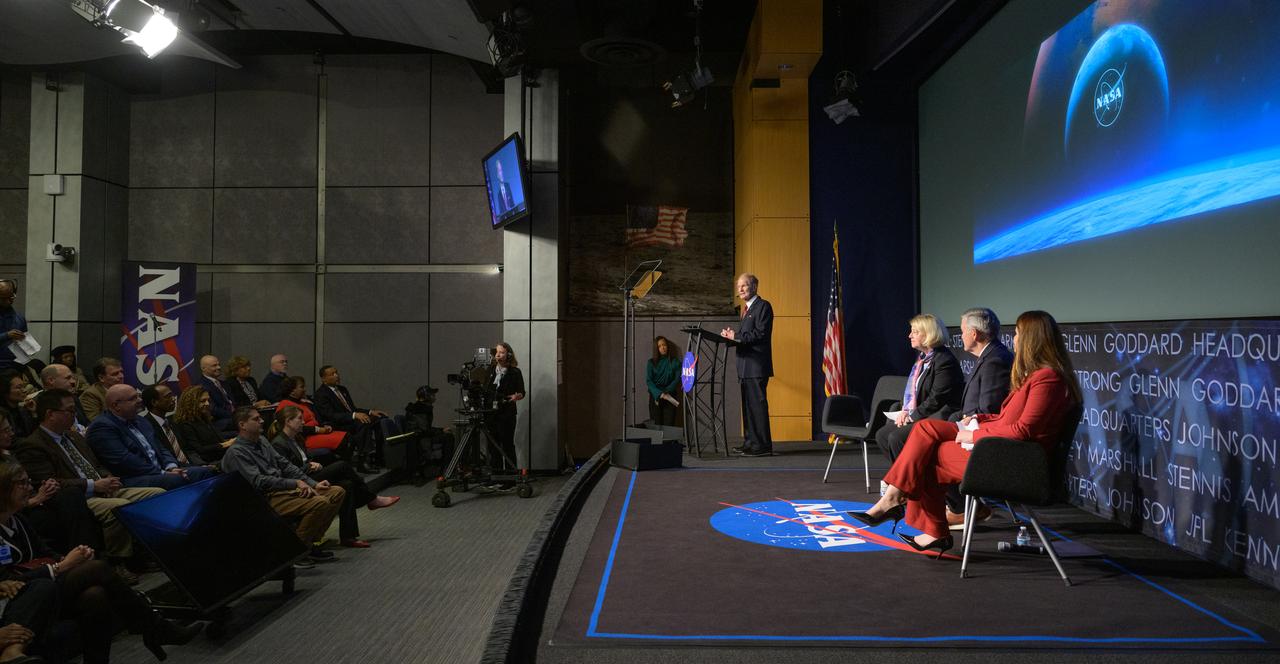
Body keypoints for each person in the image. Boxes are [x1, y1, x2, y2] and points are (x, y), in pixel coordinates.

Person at [848, 311, 1082, 556]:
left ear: (1032, 339)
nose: (1013, 339)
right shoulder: (1038, 375)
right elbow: (1006, 418)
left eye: (1017, 334)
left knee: (926, 457)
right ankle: (898, 500)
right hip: (999, 445)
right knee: (925, 429)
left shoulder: (1048, 379)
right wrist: (980, 419)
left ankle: (920, 519)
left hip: (1015, 461)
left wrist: (974, 436)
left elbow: (1023, 430)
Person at [0, 460, 202, 663]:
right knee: (96, 569)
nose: (30, 489)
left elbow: (44, 551)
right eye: (22, 483)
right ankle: (155, 627)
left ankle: (116, 650)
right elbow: (7, 580)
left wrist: (70, 557)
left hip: (43, 586)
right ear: (4, 489)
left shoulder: (18, 520)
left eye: (28, 482)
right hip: (21, 599)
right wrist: (61, 566)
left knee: (94, 596)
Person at [15, 390, 165, 584]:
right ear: (50, 414)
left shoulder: (74, 436)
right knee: (118, 507)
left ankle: (151, 550)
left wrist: (107, 477)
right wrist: (93, 485)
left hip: (104, 487)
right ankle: (118, 561)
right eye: (70, 410)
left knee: (156, 495)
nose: (75, 414)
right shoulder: (33, 445)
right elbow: (49, 482)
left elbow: (96, 464)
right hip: (79, 498)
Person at [220, 407, 344, 564]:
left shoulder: (262, 440)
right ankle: (296, 552)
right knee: (319, 502)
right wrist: (294, 483)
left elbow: (285, 465)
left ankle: (309, 543)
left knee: (336, 492)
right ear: (242, 425)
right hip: (263, 499)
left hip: (281, 490)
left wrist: (313, 483)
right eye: (256, 419)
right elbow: (258, 481)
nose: (262, 421)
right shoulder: (237, 452)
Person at [269, 406, 398, 549]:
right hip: (301, 481)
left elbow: (305, 459)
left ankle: (348, 537)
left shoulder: (297, 438)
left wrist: (311, 464)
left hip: (310, 474)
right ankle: (371, 499)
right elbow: (287, 471)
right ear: (288, 421)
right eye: (300, 419)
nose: (303, 422)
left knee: (347, 485)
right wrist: (308, 466)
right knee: (342, 466)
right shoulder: (278, 444)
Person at [942, 308, 1014, 528]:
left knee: (931, 448)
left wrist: (968, 419)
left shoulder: (995, 359)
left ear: (974, 334)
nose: (961, 335)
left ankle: (960, 508)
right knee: (920, 436)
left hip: (982, 437)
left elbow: (989, 407)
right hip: (970, 425)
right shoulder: (988, 356)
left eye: (963, 331)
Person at [84, 385, 216, 490]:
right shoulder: (102, 427)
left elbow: (161, 448)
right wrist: (162, 472)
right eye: (133, 398)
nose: (140, 401)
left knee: (205, 472)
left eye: (138, 396)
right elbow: (125, 461)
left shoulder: (140, 420)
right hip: (134, 477)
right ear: (116, 406)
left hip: (162, 471)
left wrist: (170, 466)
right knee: (180, 478)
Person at [874, 314, 963, 466]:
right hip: (922, 413)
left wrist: (911, 416)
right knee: (882, 435)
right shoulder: (923, 359)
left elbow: (936, 399)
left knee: (896, 438)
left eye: (915, 332)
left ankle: (910, 476)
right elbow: (913, 392)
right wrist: (905, 411)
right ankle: (905, 475)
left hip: (938, 415)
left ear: (929, 334)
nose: (910, 336)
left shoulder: (944, 361)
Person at [721, 273, 773, 457]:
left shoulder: (763, 306)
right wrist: (732, 336)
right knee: (748, 408)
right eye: (738, 287)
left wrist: (736, 336)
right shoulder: (746, 310)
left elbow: (760, 334)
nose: (740, 289)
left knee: (757, 407)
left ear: (754, 286)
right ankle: (750, 442)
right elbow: (746, 336)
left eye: (744, 285)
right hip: (745, 367)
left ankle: (763, 446)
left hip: (756, 366)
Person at [312, 366, 385, 471]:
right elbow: (330, 415)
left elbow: (352, 409)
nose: (337, 375)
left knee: (379, 418)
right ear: (324, 379)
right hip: (336, 424)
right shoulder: (321, 394)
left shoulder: (342, 389)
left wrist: (369, 412)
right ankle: (362, 461)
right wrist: (354, 415)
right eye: (332, 374)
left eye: (336, 372)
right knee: (362, 422)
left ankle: (379, 455)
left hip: (350, 420)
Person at [275, 376, 351, 464]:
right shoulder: (285, 405)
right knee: (344, 440)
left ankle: (342, 466)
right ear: (292, 391)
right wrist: (318, 429)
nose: (305, 390)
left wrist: (324, 426)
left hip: (316, 433)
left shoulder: (303, 402)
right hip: (303, 438)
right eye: (302, 387)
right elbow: (293, 428)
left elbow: (316, 418)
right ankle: (341, 466)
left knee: (348, 436)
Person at [168, 387, 232, 465]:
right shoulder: (184, 424)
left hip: (221, 454)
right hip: (209, 461)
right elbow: (199, 449)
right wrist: (225, 444)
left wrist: (231, 441)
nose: (207, 404)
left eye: (208, 400)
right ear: (191, 403)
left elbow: (217, 438)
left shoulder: (203, 416)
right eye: (203, 401)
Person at [486, 343, 524, 469]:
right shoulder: (490, 371)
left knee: (507, 444)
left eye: (501, 352)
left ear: (509, 355)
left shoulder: (515, 372)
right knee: (493, 445)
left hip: (507, 413)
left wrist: (517, 396)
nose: (498, 355)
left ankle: (510, 474)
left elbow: (522, 392)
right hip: (491, 413)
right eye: (496, 352)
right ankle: (496, 472)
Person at [402, 385, 455, 476]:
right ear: (426, 396)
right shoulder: (419, 410)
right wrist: (441, 431)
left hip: (422, 436)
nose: (434, 396)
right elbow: (424, 430)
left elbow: (426, 428)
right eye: (432, 394)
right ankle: (446, 468)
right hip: (419, 439)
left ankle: (445, 466)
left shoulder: (422, 408)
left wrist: (441, 430)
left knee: (447, 434)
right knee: (448, 437)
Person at [141, 384, 194, 466]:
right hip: (172, 468)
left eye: (172, 395)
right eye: (168, 397)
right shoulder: (146, 426)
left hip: (191, 465)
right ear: (154, 402)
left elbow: (188, 449)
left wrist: (201, 464)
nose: (173, 399)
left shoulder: (173, 421)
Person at [39, 363, 90, 432]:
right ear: (51, 380)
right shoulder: (37, 403)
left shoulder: (73, 398)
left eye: (73, 378)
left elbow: (86, 422)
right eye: (68, 378)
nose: (73, 382)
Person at [645, 336, 682, 426]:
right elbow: (649, 381)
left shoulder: (675, 362)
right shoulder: (651, 363)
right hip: (655, 397)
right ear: (656, 348)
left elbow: (677, 379)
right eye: (659, 346)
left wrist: (665, 392)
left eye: (664, 345)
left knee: (669, 426)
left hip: (670, 396)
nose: (663, 347)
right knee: (656, 426)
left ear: (667, 346)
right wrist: (659, 394)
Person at [79, 358, 125, 423]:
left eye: (121, 372)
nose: (121, 376)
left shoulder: (124, 390)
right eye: (115, 374)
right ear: (101, 378)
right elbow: (97, 422)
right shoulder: (90, 395)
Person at [197, 356, 234, 432]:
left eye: (219, 364)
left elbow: (232, 401)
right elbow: (212, 409)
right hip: (217, 422)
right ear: (203, 368)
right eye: (214, 365)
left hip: (231, 417)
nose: (219, 367)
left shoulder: (224, 383)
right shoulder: (201, 386)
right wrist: (234, 415)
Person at [0, 280, 27, 373]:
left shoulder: (19, 318)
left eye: (11, 297)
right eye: (4, 298)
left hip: (15, 367)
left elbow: (23, 344)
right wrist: (7, 335)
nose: (9, 301)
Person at [0, 372, 34, 440]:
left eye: (24, 386)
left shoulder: (22, 409)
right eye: (19, 387)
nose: (24, 390)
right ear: (5, 391)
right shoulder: (2, 416)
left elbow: (33, 432)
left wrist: (33, 413)